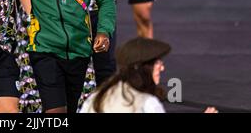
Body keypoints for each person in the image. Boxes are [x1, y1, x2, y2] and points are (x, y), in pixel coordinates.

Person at [80, 37, 218, 113]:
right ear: (144, 69)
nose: (162, 68)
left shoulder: (97, 97)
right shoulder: (147, 104)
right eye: (158, 64)